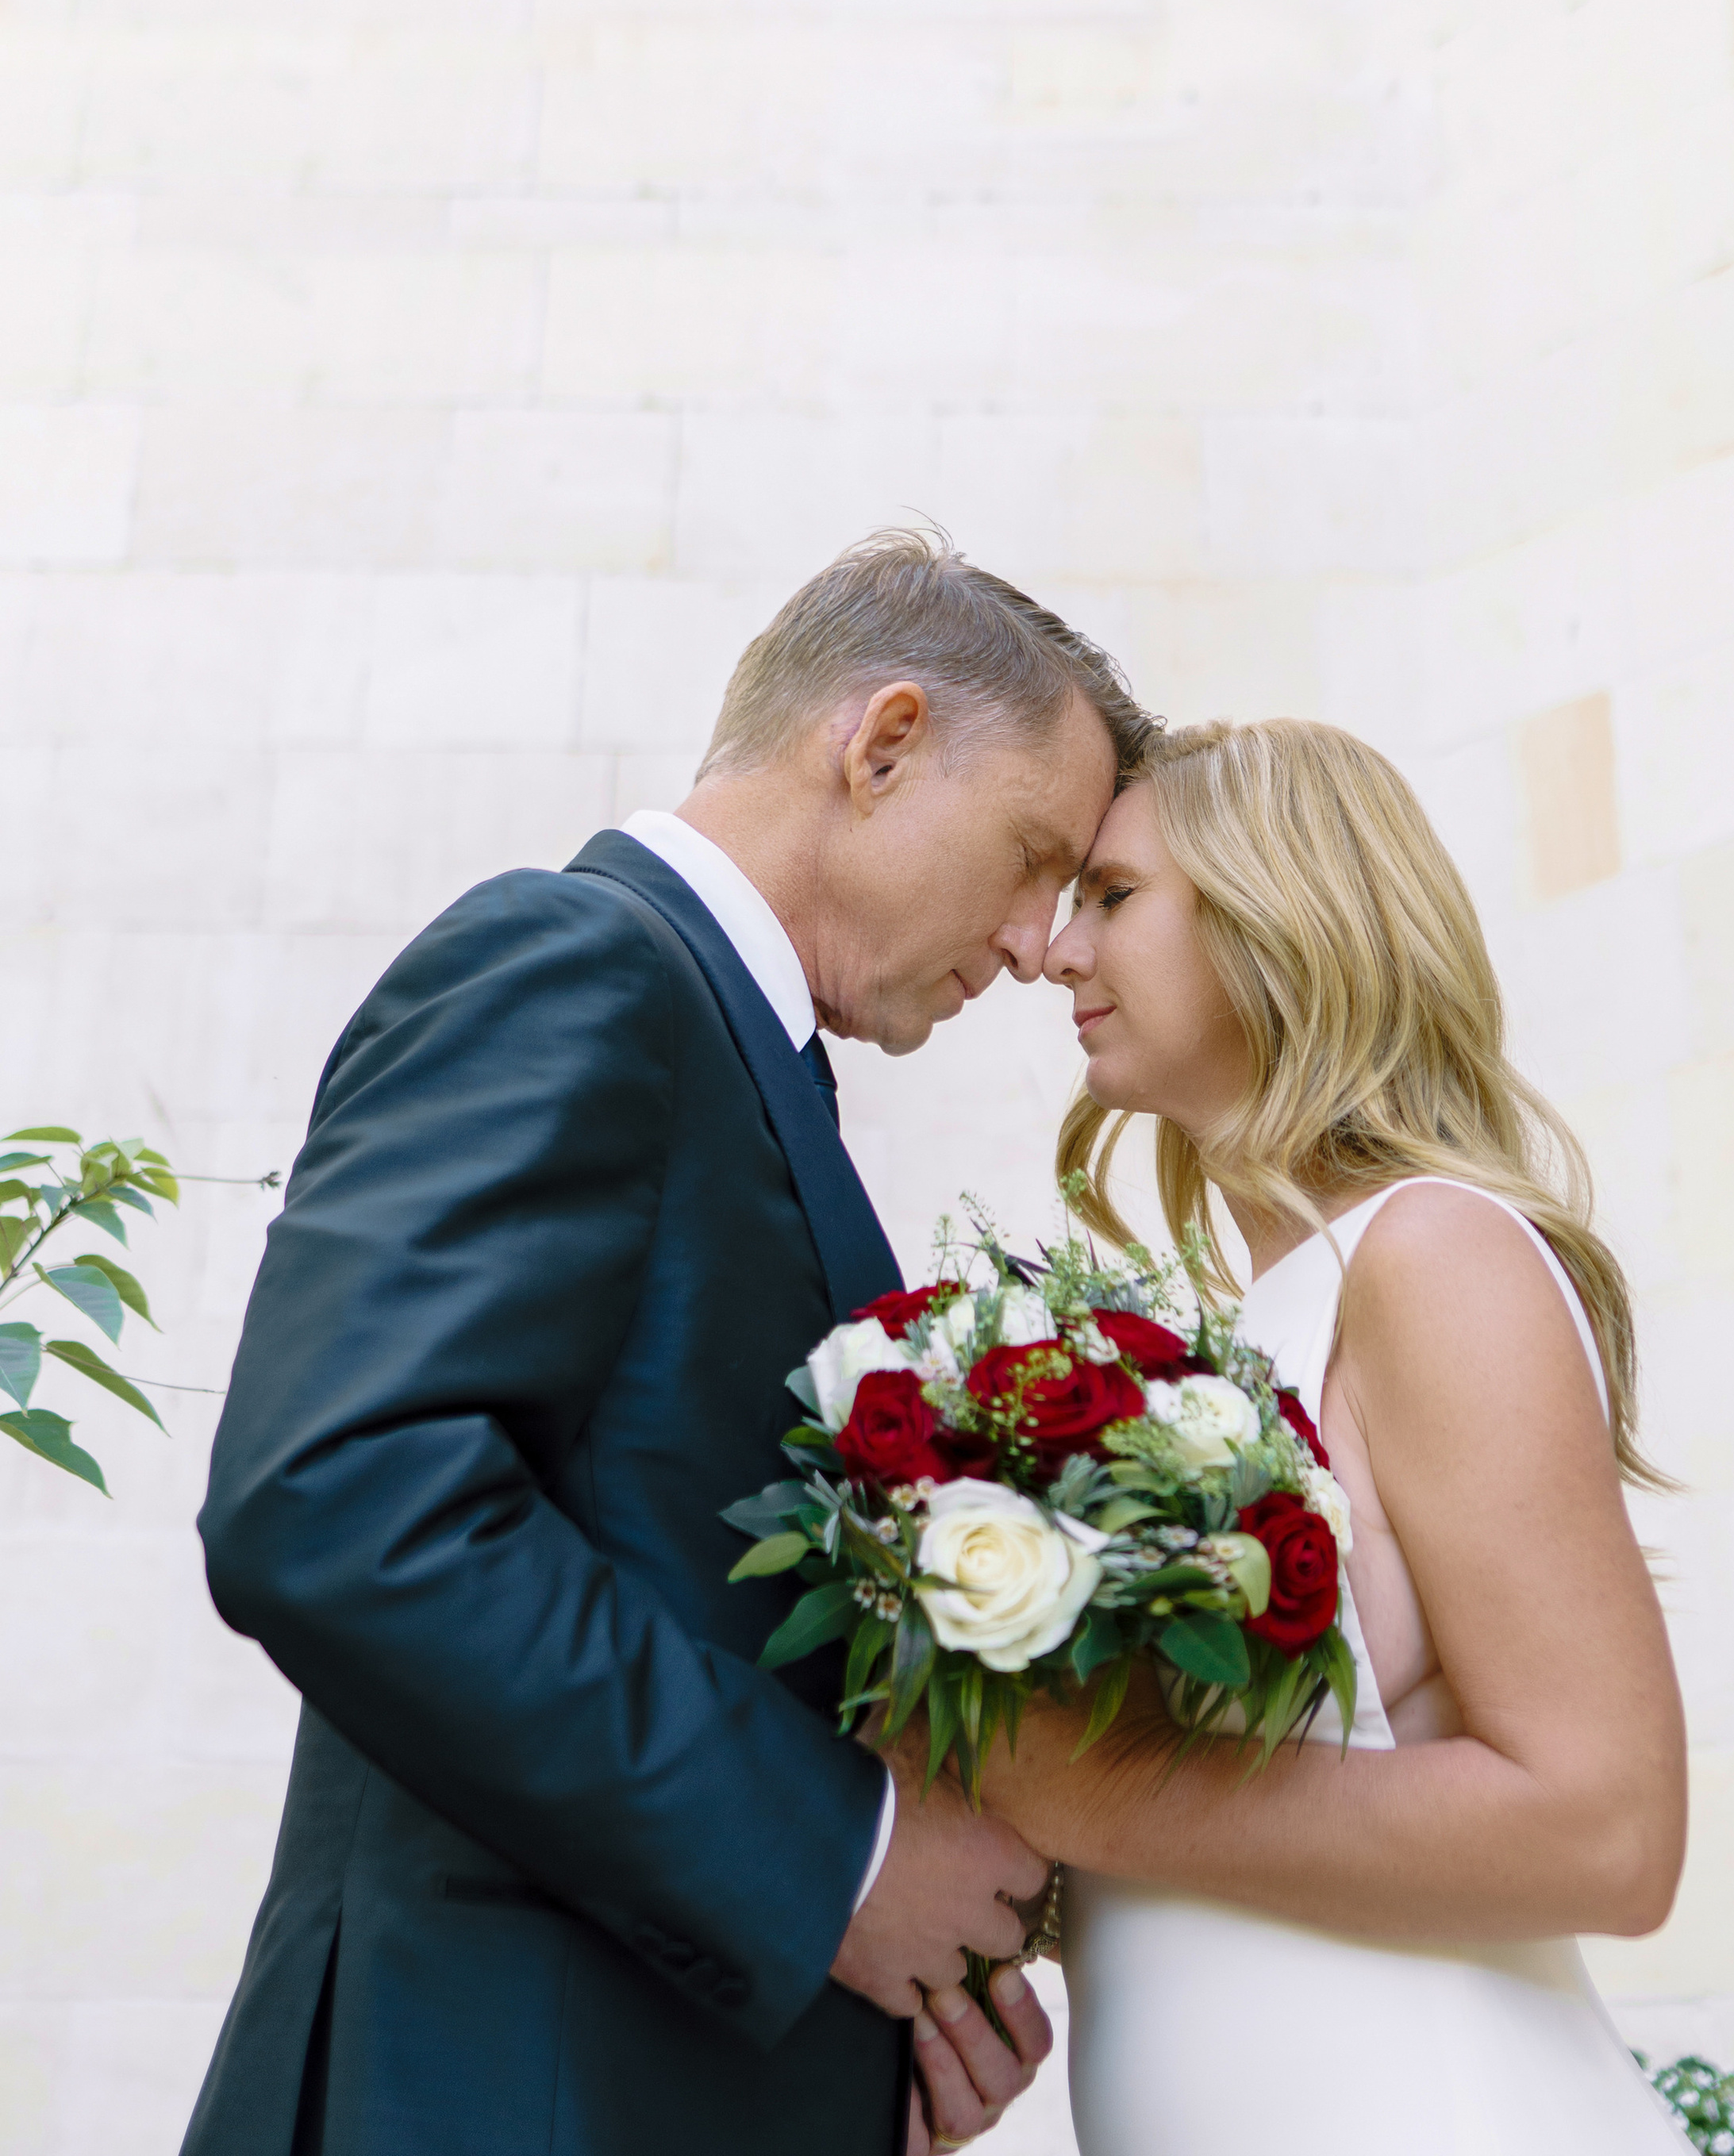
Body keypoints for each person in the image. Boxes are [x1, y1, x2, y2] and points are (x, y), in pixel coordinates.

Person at [180, 532, 1152, 2156]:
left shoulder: (737, 1051)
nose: (1043, 940)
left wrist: (865, 2040)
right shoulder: (572, 962)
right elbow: (339, 1501)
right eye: (1034, 856)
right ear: (882, 743)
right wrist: (835, 1869)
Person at [959, 717, 1689, 2151]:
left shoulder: (1433, 1255)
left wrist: (1098, 1800)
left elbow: (1610, 1829)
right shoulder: (1255, 1329)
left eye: (1113, 896)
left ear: (1275, 919)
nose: (1055, 951)